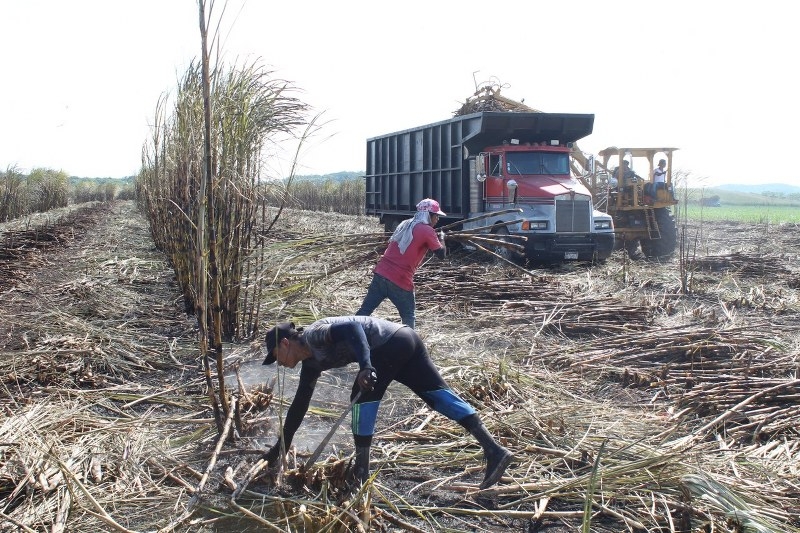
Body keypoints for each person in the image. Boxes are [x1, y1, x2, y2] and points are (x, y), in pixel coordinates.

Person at [261, 315, 513, 489]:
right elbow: (299, 405)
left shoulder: (314, 335)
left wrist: (366, 367)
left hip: (390, 344)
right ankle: (494, 450)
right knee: (437, 395)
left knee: (360, 399)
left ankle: (361, 473)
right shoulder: (311, 364)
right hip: (404, 339)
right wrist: (281, 446)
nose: (280, 364)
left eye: (276, 357)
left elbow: (352, 329)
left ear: (285, 343)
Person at [355, 198, 446, 329]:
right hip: (400, 280)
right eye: (436, 216)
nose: (437, 219)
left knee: (365, 311)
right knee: (408, 316)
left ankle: (349, 333)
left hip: (381, 274)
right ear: (428, 215)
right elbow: (441, 254)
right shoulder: (427, 231)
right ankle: (410, 346)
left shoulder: (405, 223)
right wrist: (442, 237)